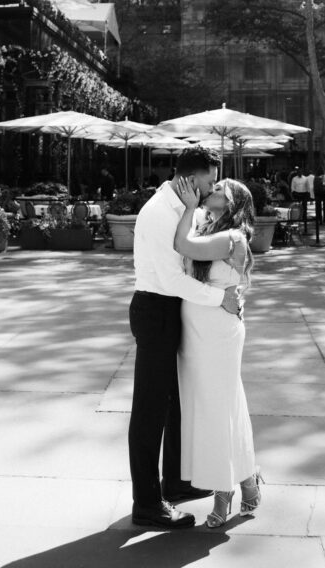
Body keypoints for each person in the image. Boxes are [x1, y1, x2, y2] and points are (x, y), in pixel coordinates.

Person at [128, 146, 242, 530]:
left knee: (177, 403)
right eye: (210, 181)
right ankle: (146, 503)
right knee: (150, 410)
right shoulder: (161, 212)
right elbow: (173, 279)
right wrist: (220, 298)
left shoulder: (181, 209)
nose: (212, 189)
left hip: (171, 312)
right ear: (192, 180)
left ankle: (175, 483)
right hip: (155, 310)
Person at [174, 176, 261, 529]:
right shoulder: (208, 226)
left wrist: (188, 205)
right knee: (222, 404)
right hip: (194, 329)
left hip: (218, 331)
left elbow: (183, 245)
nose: (213, 189)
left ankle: (224, 491)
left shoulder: (232, 237)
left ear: (234, 203)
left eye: (220, 188)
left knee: (217, 407)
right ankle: (248, 481)